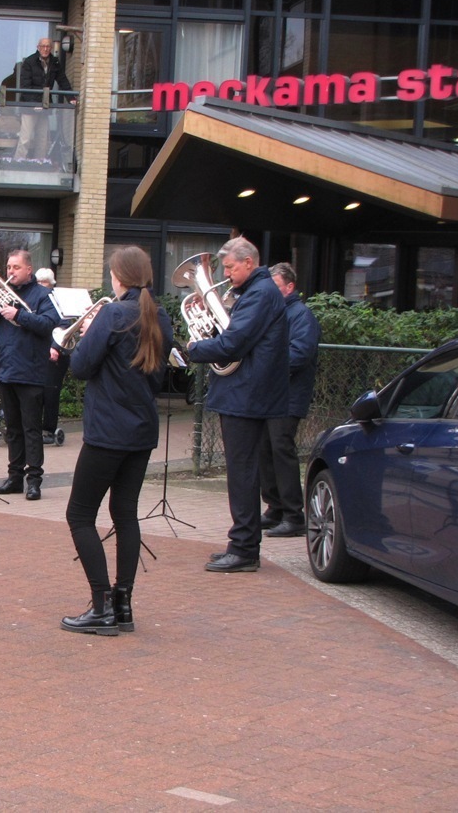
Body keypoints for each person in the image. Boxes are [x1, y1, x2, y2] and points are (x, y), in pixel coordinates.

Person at [61, 246, 174, 636]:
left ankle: (101, 606)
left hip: (108, 430)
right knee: (125, 514)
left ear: (118, 276)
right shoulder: (160, 315)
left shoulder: (112, 313)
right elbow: (157, 377)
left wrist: (88, 333)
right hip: (141, 430)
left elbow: (80, 367)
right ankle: (123, 606)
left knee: (79, 515)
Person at [186, 237, 288, 573]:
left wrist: (196, 348)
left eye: (230, 267)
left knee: (242, 473)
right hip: (245, 392)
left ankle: (244, 549)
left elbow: (235, 341)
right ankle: (241, 543)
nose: (226, 274)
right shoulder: (255, 292)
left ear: (248, 262)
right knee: (241, 471)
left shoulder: (259, 293)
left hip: (247, 394)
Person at [0, 249, 60, 500]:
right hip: (7, 369)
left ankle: (34, 480)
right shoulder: (3, 293)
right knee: (12, 429)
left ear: (28, 269)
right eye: (8, 267)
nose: (10, 272)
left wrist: (19, 315)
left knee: (31, 429)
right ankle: (14, 478)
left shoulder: (43, 295)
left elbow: (49, 325)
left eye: (15, 267)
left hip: (31, 371)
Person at [259, 262, 321, 538]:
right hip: (271, 395)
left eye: (275, 286)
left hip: (288, 396)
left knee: (281, 451)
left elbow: (300, 354)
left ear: (290, 287)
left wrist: (265, 364)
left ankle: (294, 515)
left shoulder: (301, 315)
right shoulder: (277, 313)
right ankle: (275, 507)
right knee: (265, 450)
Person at [15, 37, 75, 162]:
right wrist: (34, 104)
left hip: (45, 106)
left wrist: (71, 98)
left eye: (48, 46)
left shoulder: (54, 62)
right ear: (38, 47)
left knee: (42, 139)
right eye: (43, 46)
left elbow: (62, 80)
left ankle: (39, 163)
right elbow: (25, 86)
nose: (46, 49)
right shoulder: (30, 62)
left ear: (51, 48)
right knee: (25, 138)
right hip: (29, 107)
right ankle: (18, 162)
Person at [35, 267, 70, 445]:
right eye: (38, 282)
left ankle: (49, 429)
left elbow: (65, 326)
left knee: (51, 392)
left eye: (44, 283)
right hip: (39, 353)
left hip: (56, 353)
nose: (41, 286)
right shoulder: (37, 299)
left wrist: (55, 347)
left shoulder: (59, 300)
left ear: (51, 284)